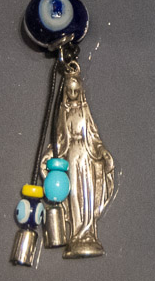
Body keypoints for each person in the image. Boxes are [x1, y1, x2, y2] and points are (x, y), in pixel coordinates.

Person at [43, 66, 116, 258]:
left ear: (81, 90)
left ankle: (89, 233)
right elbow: (59, 139)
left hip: (87, 155)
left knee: (87, 194)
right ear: (66, 92)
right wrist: (50, 154)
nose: (73, 94)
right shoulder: (63, 112)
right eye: (70, 91)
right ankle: (77, 234)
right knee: (74, 193)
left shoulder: (85, 111)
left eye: (76, 91)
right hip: (71, 157)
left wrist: (102, 151)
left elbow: (93, 136)